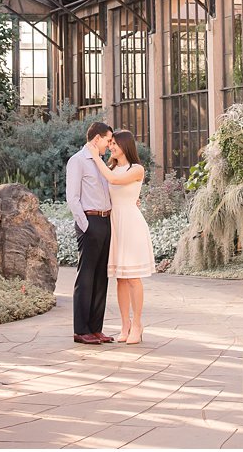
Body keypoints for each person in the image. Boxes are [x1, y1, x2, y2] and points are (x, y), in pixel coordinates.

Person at [91, 129, 155, 344]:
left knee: (133, 277)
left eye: (115, 144)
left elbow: (115, 181)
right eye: (110, 144)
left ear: (125, 145)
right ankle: (124, 324)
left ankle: (137, 324)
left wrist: (95, 157)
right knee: (120, 278)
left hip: (131, 225)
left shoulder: (136, 169)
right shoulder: (111, 167)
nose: (111, 147)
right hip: (114, 224)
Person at [66, 121, 116, 345]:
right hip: (91, 222)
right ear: (97, 139)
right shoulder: (77, 161)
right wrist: (86, 225)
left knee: (100, 277)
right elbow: (72, 198)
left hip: (106, 222)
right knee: (85, 277)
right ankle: (81, 330)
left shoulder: (101, 163)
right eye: (107, 140)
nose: (109, 144)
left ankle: (96, 329)